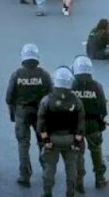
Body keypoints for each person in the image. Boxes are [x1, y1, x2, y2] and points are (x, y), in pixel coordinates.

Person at [6, 44, 52, 187]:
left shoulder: (17, 75)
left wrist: (13, 114)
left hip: (22, 113)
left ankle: (24, 175)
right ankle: (47, 170)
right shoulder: (44, 75)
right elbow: (51, 95)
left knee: (23, 144)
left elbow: (9, 98)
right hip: (40, 113)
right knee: (43, 142)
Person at [37, 67, 84, 197]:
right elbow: (81, 125)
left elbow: (41, 124)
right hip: (70, 139)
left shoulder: (47, 101)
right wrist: (76, 142)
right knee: (71, 169)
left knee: (49, 168)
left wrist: (45, 141)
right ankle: (70, 193)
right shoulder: (76, 101)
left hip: (52, 139)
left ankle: (47, 193)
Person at [71, 56, 108, 191]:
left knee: (78, 153)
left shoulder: (71, 86)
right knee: (96, 151)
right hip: (93, 124)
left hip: (75, 126)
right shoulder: (97, 86)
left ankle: (78, 182)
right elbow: (103, 108)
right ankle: (100, 178)